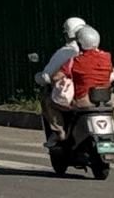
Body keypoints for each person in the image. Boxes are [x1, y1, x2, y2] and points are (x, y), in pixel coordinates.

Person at [36, 16, 85, 148]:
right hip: (96, 97)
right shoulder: (96, 53)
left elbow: (48, 75)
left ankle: (59, 132)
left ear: (66, 34)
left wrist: (42, 78)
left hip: (73, 98)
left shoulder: (64, 53)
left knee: (48, 101)